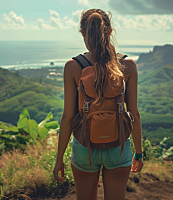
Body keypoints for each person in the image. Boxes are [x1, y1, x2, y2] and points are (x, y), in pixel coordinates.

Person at [53, 8, 143, 200]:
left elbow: (68, 117)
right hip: (118, 148)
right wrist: (139, 153)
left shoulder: (73, 67)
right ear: (110, 32)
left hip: (85, 148)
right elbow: (134, 113)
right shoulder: (128, 66)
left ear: (83, 34)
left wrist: (59, 158)